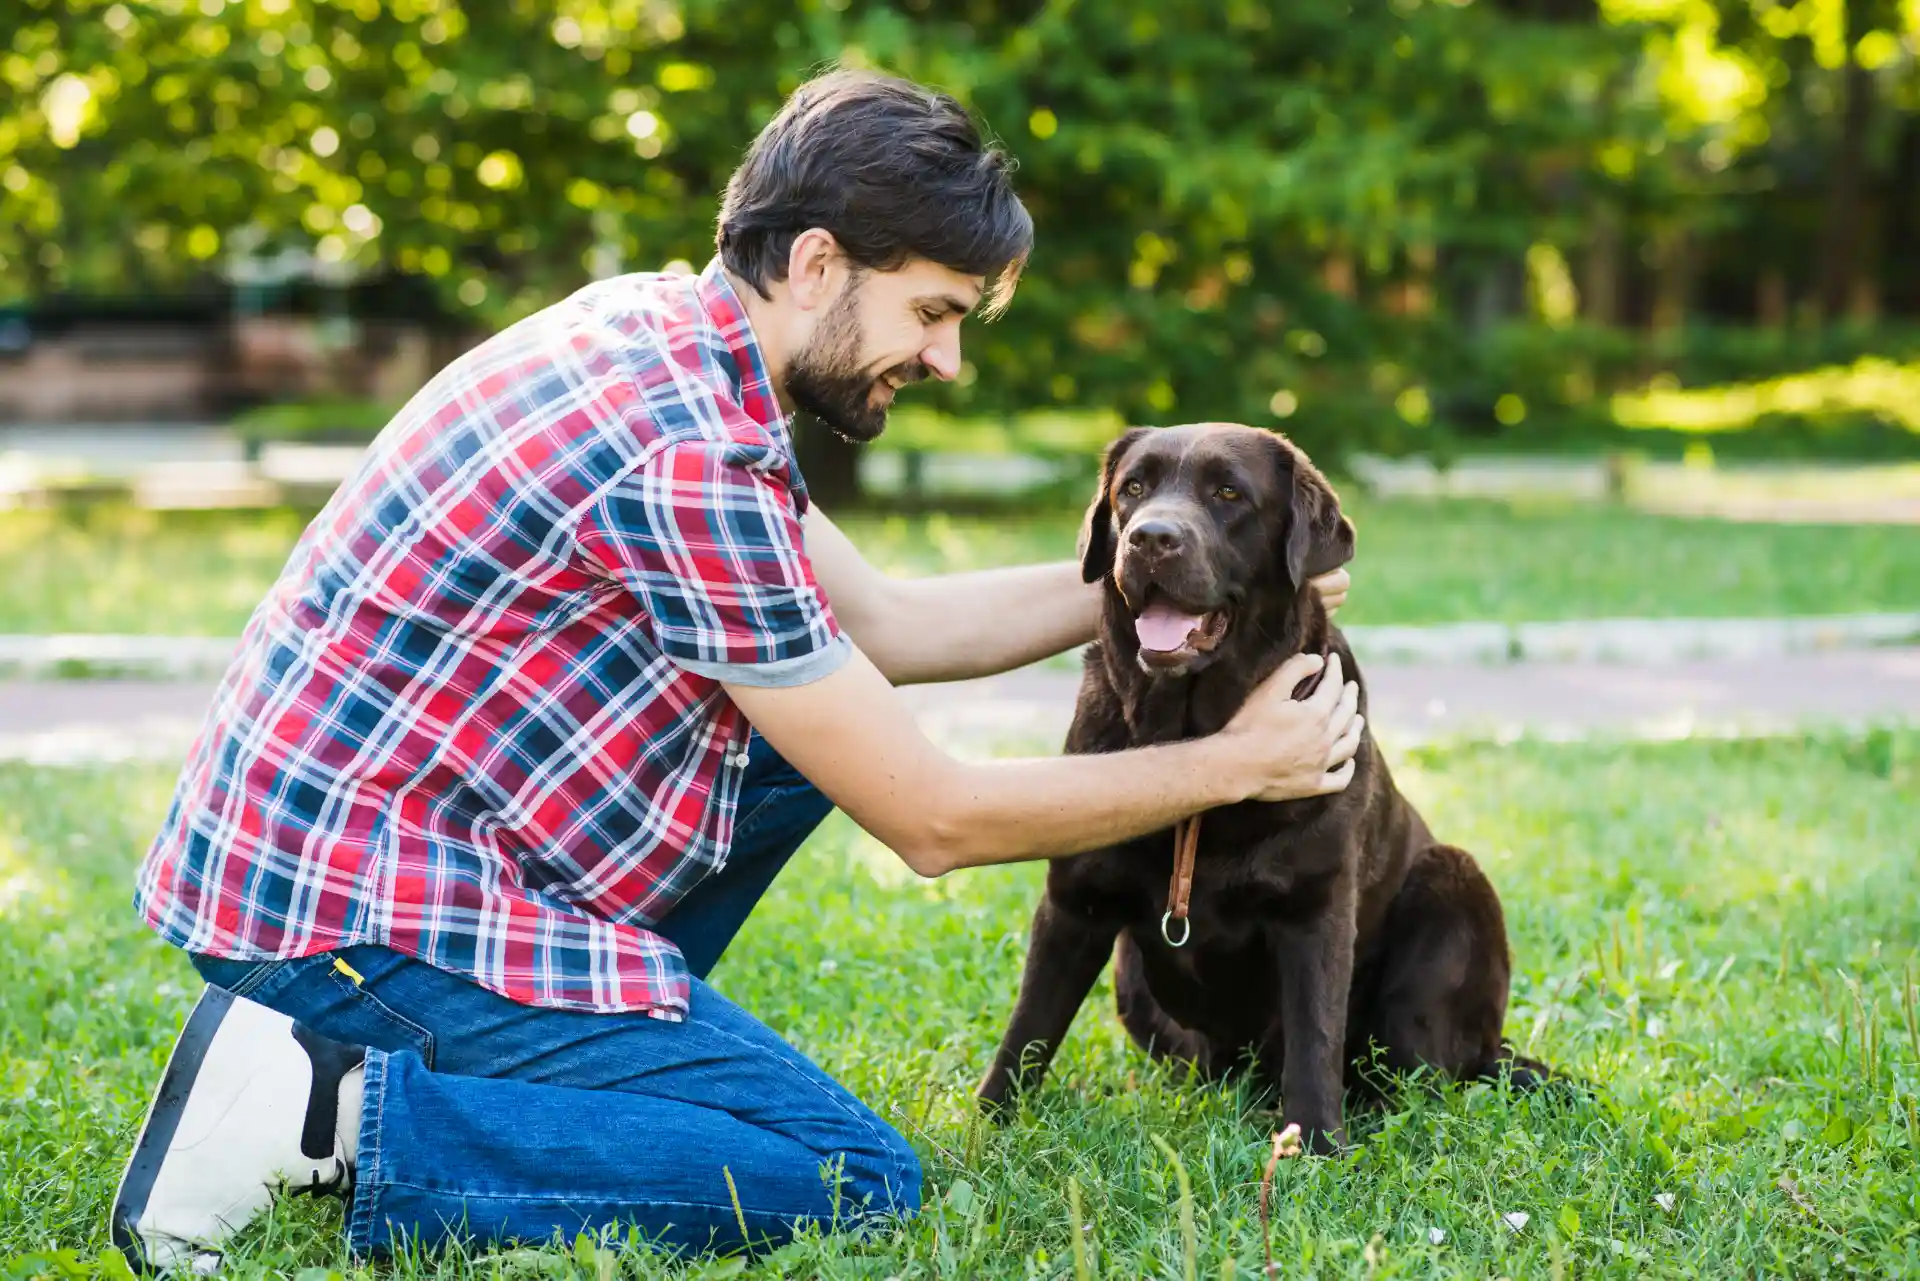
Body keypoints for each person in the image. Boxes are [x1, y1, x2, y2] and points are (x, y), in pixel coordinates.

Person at [109, 67, 1362, 1270]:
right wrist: (1234, 765)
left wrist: (1190, 572)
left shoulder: (659, 336)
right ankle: (320, 1113)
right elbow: (934, 820)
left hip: (361, 866)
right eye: (932, 312)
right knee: (848, 1175)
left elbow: (891, 627)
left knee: (819, 717)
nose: (945, 359)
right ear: (817, 264)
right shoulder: (687, 458)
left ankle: (548, 1050)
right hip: (346, 928)